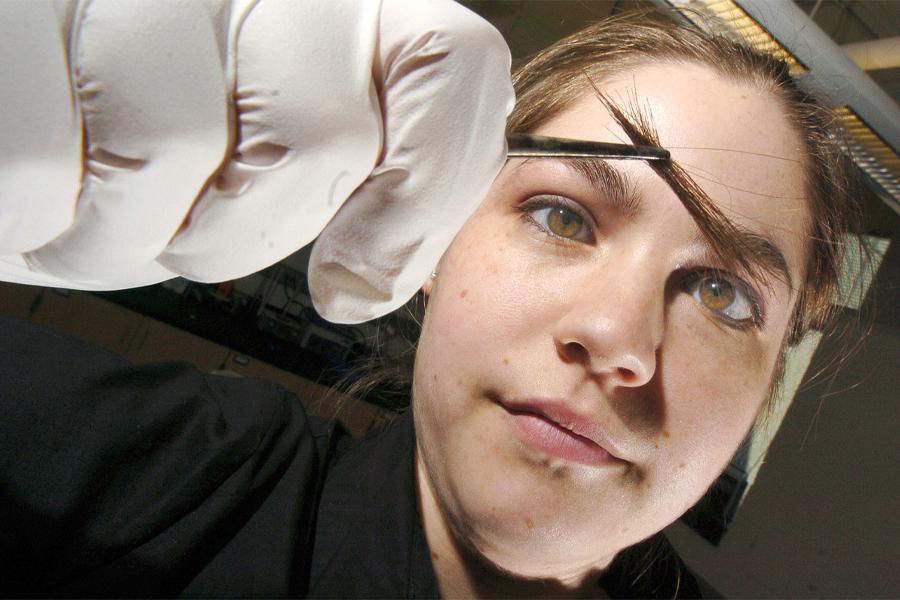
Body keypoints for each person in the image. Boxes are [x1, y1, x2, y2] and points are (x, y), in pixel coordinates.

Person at [0, 8, 860, 600]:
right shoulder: (142, 487)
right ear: (436, 238)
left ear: (772, 377)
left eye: (722, 294)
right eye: (561, 216)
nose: (615, 337)